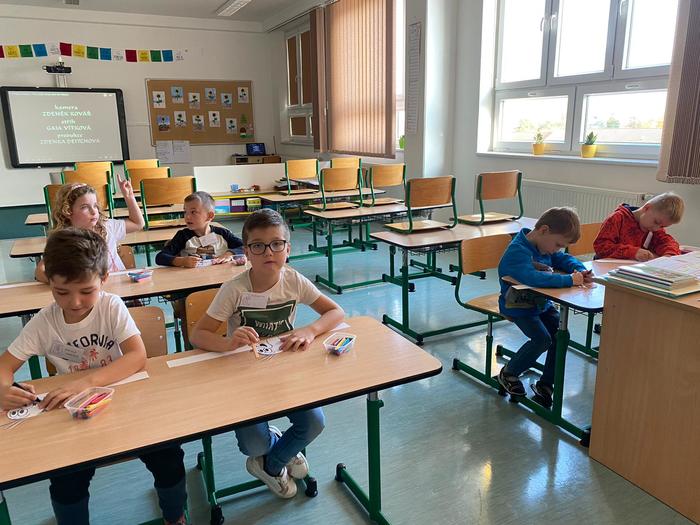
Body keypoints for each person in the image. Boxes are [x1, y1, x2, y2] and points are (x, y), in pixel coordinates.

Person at [0, 228, 187, 525]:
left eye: (86, 291)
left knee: (168, 455)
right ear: (50, 283)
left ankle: (174, 516)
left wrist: (85, 383)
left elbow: (137, 356)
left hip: (127, 406)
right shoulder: (45, 322)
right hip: (77, 417)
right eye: (62, 292)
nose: (74, 302)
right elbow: (4, 366)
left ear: (103, 279)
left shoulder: (110, 306)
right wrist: (3, 389)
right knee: (65, 479)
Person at [190, 209, 344, 498]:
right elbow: (198, 335)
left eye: (276, 244)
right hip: (245, 377)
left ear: (288, 248)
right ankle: (277, 449)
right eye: (258, 246)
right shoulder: (234, 289)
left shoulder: (294, 280)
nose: (268, 252)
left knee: (314, 422)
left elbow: (335, 312)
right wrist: (228, 343)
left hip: (286, 373)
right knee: (253, 445)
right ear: (247, 251)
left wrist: (310, 330)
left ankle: (272, 464)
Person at [497, 207, 592, 407]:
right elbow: (533, 278)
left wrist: (580, 270)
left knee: (561, 336)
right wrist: (569, 280)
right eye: (557, 244)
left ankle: (546, 384)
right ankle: (509, 372)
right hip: (518, 306)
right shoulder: (517, 251)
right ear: (544, 230)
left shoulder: (544, 246)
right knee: (542, 339)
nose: (557, 249)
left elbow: (563, 259)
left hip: (542, 304)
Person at [36, 176, 145, 282]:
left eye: (95, 206)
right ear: (68, 211)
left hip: (119, 285)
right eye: (84, 207)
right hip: (89, 290)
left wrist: (129, 196)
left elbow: (138, 223)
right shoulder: (64, 239)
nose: (93, 212)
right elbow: (40, 271)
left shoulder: (107, 226)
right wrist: (69, 282)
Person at [155, 191, 245, 267]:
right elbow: (160, 257)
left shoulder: (223, 233)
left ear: (209, 216)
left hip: (220, 277)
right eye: (185, 212)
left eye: (193, 212)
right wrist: (182, 261)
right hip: (193, 279)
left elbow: (245, 246)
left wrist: (229, 253)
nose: (187, 216)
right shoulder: (183, 236)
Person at [594, 192, 684, 261]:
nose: (656, 228)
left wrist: (669, 255)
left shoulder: (654, 227)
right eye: (656, 222)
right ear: (647, 208)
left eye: (662, 226)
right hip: (607, 268)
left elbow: (666, 241)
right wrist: (633, 252)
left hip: (633, 270)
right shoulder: (618, 218)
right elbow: (601, 247)